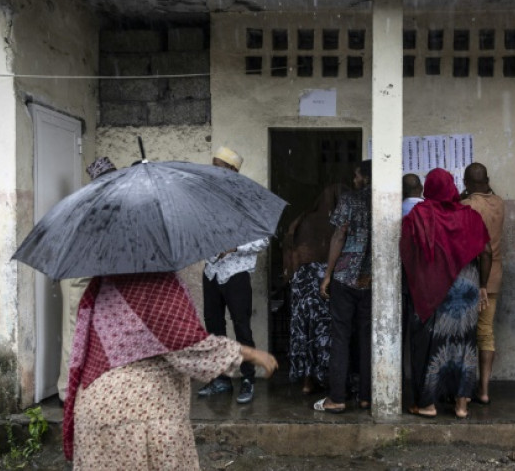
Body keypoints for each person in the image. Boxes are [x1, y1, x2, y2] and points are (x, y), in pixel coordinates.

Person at [63, 272, 277, 468]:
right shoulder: (159, 284)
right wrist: (251, 354)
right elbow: (190, 348)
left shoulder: (102, 284)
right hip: (142, 415)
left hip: (92, 410)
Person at [401, 168, 492, 419]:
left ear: (428, 189)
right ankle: (462, 406)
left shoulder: (420, 214)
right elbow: (486, 251)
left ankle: (428, 404)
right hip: (468, 285)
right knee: (465, 342)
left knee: (436, 344)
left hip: (436, 287)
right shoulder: (470, 216)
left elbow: (407, 249)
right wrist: (482, 285)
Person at [197, 146, 269, 404]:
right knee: (214, 327)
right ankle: (220, 379)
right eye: (213, 164)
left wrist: (236, 246)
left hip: (237, 273)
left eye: (220, 166)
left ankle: (247, 378)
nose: (214, 170)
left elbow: (264, 240)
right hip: (211, 271)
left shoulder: (248, 200)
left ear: (233, 171)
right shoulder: (207, 198)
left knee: (242, 327)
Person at [57, 156, 117, 403]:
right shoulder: (89, 202)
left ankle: (84, 386)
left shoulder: (103, 201)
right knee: (73, 331)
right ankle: (66, 391)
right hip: (76, 275)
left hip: (90, 272)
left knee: (90, 331)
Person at [314, 160, 373, 413]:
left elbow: (339, 235)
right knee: (368, 338)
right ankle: (366, 397)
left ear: (364, 177)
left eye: (357, 175)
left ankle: (337, 398)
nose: (355, 180)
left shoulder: (350, 199)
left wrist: (327, 273)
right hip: (373, 279)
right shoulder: (389, 200)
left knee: (341, 337)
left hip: (345, 277)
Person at [282, 183, 349, 394]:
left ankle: (306, 382)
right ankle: (328, 379)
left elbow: (289, 253)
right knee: (327, 332)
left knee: (303, 331)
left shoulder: (302, 220)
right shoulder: (339, 223)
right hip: (326, 283)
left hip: (302, 283)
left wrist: (292, 277)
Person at [459, 162, 505, 406]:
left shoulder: (466, 205)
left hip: (473, 277)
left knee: (466, 334)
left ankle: (463, 390)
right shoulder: (499, 202)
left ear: (466, 183)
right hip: (495, 276)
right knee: (486, 333)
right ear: (487, 180)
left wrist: (464, 194)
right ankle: (484, 390)